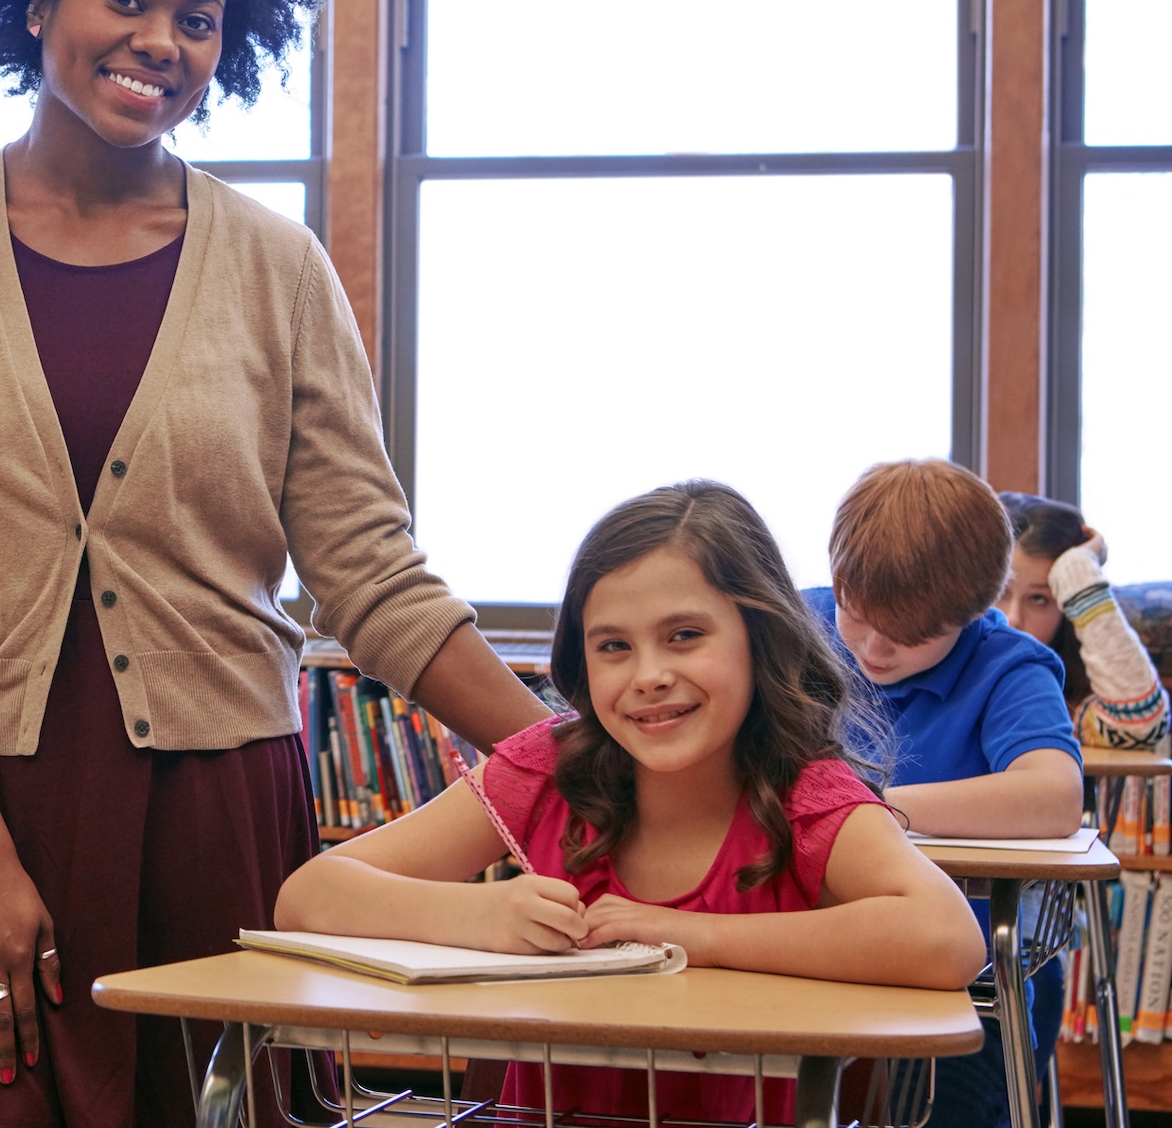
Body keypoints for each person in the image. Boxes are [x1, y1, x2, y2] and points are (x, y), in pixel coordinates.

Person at [0, 0, 554, 1123]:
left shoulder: (276, 267)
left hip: (213, 802)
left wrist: (566, 755)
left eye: (200, 17)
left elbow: (369, 573)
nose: (163, 39)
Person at [275, 480, 984, 1120]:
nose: (648, 675)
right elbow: (308, 896)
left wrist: (691, 935)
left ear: (759, 635)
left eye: (684, 635)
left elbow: (948, 938)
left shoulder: (806, 795)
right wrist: (477, 912)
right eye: (613, 645)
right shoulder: (546, 768)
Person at [802, 459, 1083, 1128]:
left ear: (969, 612)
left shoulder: (1008, 664)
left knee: (953, 1093)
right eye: (857, 613)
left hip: (969, 961)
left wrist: (867, 811)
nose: (872, 647)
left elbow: (1054, 794)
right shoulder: (800, 623)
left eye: (909, 635)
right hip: (812, 933)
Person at [997, 491, 1169, 751]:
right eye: (999, 593)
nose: (1012, 619)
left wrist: (1076, 569)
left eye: (1038, 599)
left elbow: (1141, 724)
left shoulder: (1065, 704)